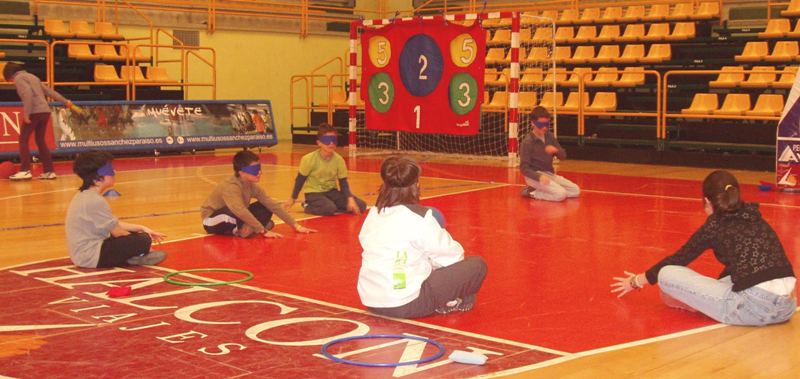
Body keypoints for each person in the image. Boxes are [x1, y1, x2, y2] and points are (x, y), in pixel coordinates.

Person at [611, 170, 796, 326]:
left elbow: (679, 259)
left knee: (667, 274)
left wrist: (636, 281)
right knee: (724, 281)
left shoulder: (715, 224)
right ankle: (700, 302)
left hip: (753, 309)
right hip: (787, 307)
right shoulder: (754, 215)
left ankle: (698, 304)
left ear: (707, 200)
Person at [357, 156, 487, 318]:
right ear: (416, 185)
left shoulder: (374, 213)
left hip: (370, 299)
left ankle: (451, 298)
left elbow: (369, 244)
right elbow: (454, 257)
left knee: (423, 262)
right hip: (404, 304)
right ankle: (453, 299)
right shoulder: (421, 217)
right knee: (477, 265)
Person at [65, 151, 167, 268]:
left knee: (139, 235)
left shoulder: (85, 195)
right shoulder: (94, 201)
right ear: (96, 179)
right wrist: (143, 244)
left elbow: (113, 224)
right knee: (142, 240)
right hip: (90, 257)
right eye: (109, 170)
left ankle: (133, 257)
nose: (114, 172)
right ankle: (136, 256)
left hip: (84, 254)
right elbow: (118, 232)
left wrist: (142, 228)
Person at [201, 150, 316, 238]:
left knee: (265, 207)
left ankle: (246, 228)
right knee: (232, 213)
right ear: (241, 172)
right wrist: (263, 230)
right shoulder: (230, 187)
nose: (260, 172)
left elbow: (271, 204)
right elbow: (240, 210)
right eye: (255, 169)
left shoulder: (251, 185)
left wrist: (296, 225)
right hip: (212, 220)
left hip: (236, 217)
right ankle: (242, 230)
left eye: (259, 168)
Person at [4, 62, 73, 180]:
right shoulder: (33, 76)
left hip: (34, 112)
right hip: (45, 111)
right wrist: (65, 101)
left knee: (23, 140)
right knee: (40, 141)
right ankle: (49, 171)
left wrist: (27, 114)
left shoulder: (19, 79)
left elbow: (27, 95)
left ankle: (25, 170)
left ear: (9, 75)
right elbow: (49, 91)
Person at [286, 123, 367, 215]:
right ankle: (307, 205)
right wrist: (293, 198)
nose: (331, 143)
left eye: (333, 140)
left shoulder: (339, 160)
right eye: (327, 140)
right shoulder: (308, 159)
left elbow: (343, 183)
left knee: (361, 205)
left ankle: (334, 206)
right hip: (314, 193)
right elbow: (300, 180)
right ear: (319, 143)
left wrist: (350, 198)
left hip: (332, 192)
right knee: (329, 209)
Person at [519, 106, 580, 202]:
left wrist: (556, 151)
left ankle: (544, 190)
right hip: (534, 176)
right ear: (533, 123)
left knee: (575, 190)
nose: (544, 127)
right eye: (540, 124)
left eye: (546, 124)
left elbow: (563, 156)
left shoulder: (549, 137)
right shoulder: (527, 142)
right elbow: (524, 168)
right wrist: (539, 177)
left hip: (549, 174)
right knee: (560, 194)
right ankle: (531, 192)